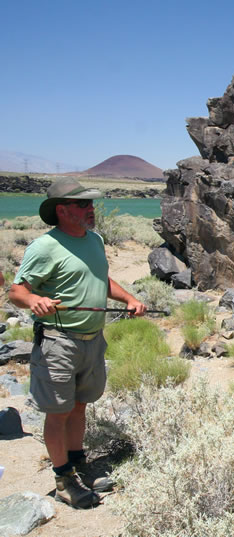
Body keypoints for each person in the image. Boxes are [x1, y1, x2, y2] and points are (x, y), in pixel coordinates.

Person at [9, 178, 146, 509]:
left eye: (91, 204)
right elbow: (17, 291)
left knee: (80, 405)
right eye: (83, 205)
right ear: (62, 210)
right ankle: (63, 480)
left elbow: (101, 278)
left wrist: (128, 297)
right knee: (57, 412)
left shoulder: (95, 240)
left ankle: (77, 461)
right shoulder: (45, 247)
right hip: (58, 343)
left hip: (92, 340)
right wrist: (35, 301)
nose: (91, 209)